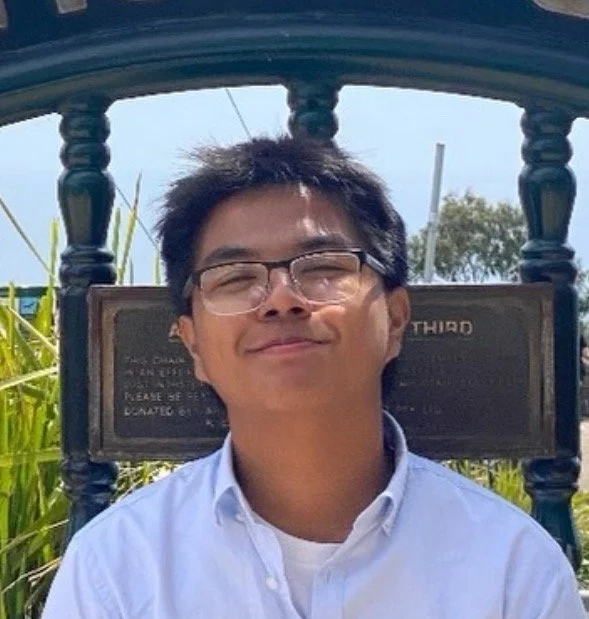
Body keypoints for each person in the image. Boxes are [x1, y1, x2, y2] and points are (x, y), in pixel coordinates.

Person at [42, 136, 585, 618]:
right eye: (235, 277)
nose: (281, 299)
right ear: (194, 345)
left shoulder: (511, 566)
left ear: (395, 319)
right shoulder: (117, 567)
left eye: (322, 267)